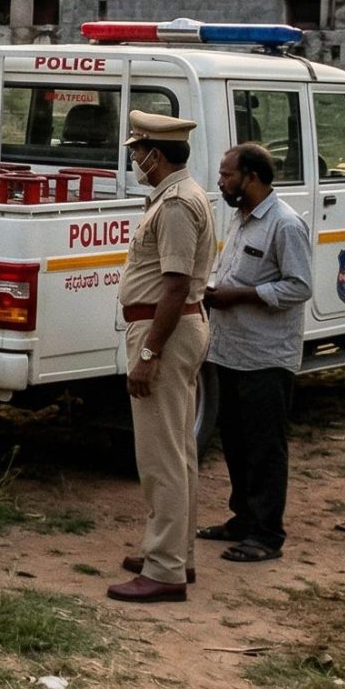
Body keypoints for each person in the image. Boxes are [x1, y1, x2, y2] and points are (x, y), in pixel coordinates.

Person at [109, 109, 213, 603]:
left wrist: (149, 351)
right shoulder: (179, 196)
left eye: (139, 151)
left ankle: (166, 569)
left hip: (164, 330)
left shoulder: (176, 204)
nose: (135, 158)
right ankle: (174, 552)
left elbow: (174, 285)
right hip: (171, 327)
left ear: (156, 154)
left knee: (161, 458)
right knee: (179, 452)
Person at [200, 141, 312, 564]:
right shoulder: (240, 219)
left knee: (265, 447)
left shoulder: (285, 224)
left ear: (251, 176)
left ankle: (267, 534)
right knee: (235, 441)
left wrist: (243, 295)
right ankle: (243, 518)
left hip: (266, 356)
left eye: (227, 174)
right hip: (229, 350)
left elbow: (299, 286)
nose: (221, 181)